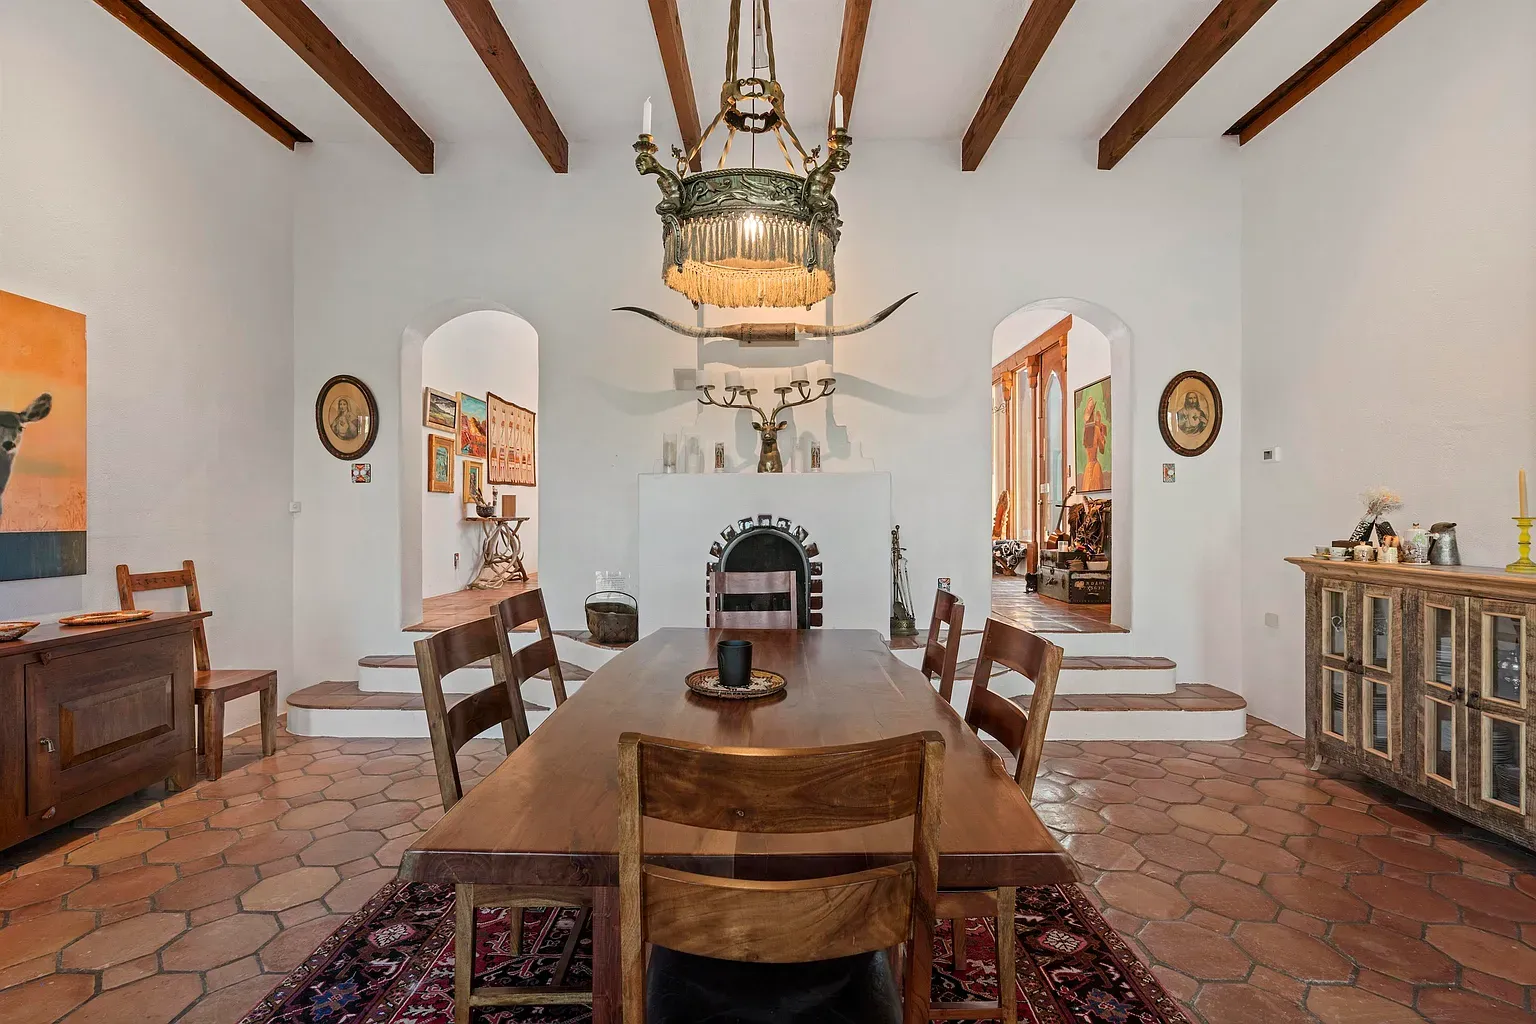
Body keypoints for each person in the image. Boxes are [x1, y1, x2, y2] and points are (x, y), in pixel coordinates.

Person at [1080, 395, 1107, 492]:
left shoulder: (1086, 432)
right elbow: (1102, 449)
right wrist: (1102, 434)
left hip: (1088, 469)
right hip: (1095, 467)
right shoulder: (1096, 430)